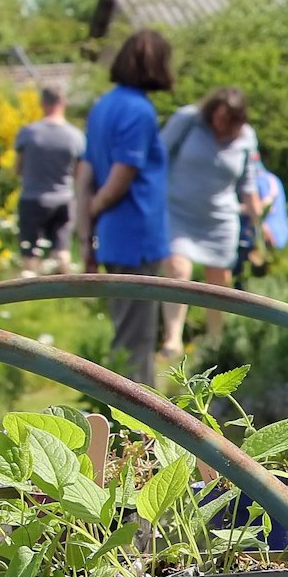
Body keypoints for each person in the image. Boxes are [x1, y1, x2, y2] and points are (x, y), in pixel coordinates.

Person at [77, 29, 172, 386]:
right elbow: (121, 176)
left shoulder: (104, 105)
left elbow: (84, 175)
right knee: (136, 341)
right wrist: (98, 208)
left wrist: (86, 230)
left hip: (116, 237)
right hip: (137, 235)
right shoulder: (139, 111)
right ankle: (136, 430)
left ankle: (126, 423)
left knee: (127, 332)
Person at [159, 87, 259, 357]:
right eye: (218, 119)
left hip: (221, 219)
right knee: (177, 269)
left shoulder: (247, 136)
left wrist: (259, 224)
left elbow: (248, 182)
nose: (222, 127)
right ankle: (173, 339)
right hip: (179, 211)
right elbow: (158, 155)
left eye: (229, 122)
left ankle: (215, 341)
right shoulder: (188, 120)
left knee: (219, 279)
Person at [13, 85, 83, 274]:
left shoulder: (28, 133)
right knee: (62, 250)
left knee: (30, 252)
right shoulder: (75, 136)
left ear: (42, 103)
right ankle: (67, 293)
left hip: (32, 198)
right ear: (64, 103)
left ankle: (29, 295)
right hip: (64, 199)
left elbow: (17, 169)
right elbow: (80, 174)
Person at [233, 154, 288, 288]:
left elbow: (260, 207)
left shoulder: (257, 182)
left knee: (243, 273)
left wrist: (234, 208)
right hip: (275, 233)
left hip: (258, 235)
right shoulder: (272, 179)